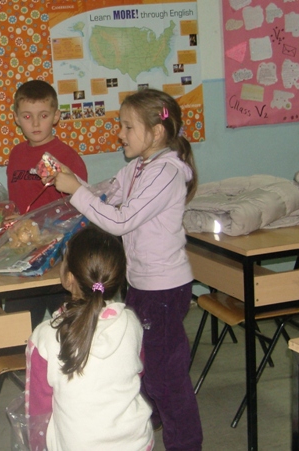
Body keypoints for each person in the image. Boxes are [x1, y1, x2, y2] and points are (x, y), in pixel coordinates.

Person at [47, 88, 202, 451]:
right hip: (144, 284)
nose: (120, 134)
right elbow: (106, 196)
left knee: (167, 379)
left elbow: (121, 220)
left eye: (127, 126)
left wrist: (76, 192)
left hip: (164, 289)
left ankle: (185, 443)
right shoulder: (139, 166)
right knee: (147, 363)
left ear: (156, 132)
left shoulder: (166, 173)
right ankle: (148, 422)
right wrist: (75, 184)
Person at [26, 225, 153, 451]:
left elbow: (38, 411)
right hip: (136, 443)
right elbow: (137, 371)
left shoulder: (45, 337)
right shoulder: (131, 322)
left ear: (69, 278)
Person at [5, 79, 88, 327]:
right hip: (24, 253)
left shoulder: (67, 157)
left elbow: (81, 207)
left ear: (56, 116)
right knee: (18, 325)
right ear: (16, 118)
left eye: (43, 115)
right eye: (27, 116)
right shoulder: (16, 154)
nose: (35, 123)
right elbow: (16, 200)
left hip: (59, 255)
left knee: (68, 326)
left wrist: (43, 228)